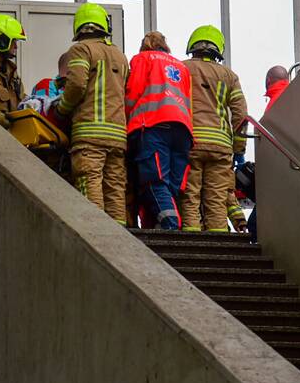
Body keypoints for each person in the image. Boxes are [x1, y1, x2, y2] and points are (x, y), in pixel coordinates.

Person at [55, 3, 129, 224]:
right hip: (117, 136)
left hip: (89, 134)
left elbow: (76, 84)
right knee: (115, 189)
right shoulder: (120, 55)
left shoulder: (81, 50)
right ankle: (120, 239)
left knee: (90, 184)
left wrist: (62, 109)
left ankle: (96, 235)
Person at [180, 25, 247, 232]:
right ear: (218, 48)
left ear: (193, 45)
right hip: (220, 146)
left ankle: (192, 238)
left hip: (191, 142)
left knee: (190, 196)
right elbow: (240, 113)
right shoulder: (229, 75)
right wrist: (239, 147)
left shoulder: (182, 68)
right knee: (216, 199)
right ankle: (219, 238)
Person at [124, 31, 192, 230]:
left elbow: (132, 93)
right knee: (171, 185)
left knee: (154, 180)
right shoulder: (181, 67)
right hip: (183, 130)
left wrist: (126, 118)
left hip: (153, 126)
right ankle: (161, 223)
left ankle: (171, 226)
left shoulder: (142, 59)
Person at [247, 64, 291, 243]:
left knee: (256, 223)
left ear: (267, 82)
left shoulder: (276, 102)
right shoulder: (296, 96)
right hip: (289, 166)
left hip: (279, 169)